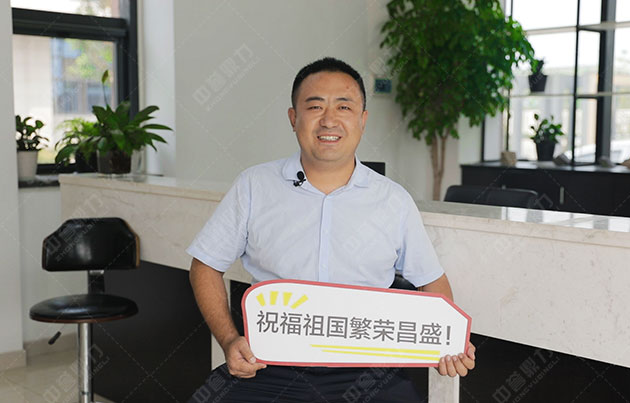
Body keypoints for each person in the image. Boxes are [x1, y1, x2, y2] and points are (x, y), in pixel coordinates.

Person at [187, 57, 475, 402]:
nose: (329, 119)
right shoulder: (254, 186)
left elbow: (431, 280)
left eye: (343, 106)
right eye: (315, 106)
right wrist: (229, 340)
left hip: (368, 370)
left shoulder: (393, 200)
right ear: (293, 118)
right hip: (269, 363)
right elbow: (205, 265)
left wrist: (447, 340)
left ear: (362, 120)